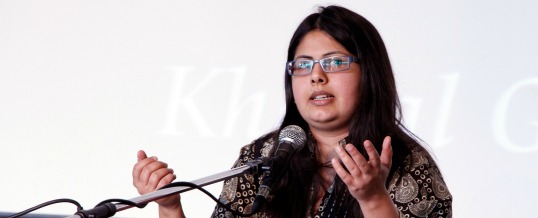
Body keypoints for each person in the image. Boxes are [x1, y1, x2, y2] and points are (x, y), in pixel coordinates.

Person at [132, 5, 452, 218]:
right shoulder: (261, 157)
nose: (316, 76)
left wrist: (373, 200)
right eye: (303, 65)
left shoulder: (409, 165)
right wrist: (170, 206)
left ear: (369, 73)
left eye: (335, 62)